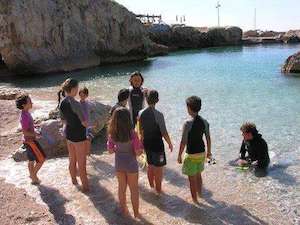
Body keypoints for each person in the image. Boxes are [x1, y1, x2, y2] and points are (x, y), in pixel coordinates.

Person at [107, 107, 143, 218]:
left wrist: (117, 149)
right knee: (134, 190)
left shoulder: (112, 134)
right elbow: (137, 153)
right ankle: (136, 214)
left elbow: (110, 151)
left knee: (121, 188)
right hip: (131, 165)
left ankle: (124, 211)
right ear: (128, 120)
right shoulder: (133, 134)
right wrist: (141, 148)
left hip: (119, 165)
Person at [177, 96, 212, 204]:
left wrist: (179, 155)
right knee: (198, 175)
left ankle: (195, 201)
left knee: (191, 180)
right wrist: (209, 152)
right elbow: (208, 138)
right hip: (202, 153)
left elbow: (183, 142)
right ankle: (200, 194)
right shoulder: (205, 122)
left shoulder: (187, 124)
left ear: (188, 108)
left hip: (191, 155)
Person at [138, 90, 173, 194]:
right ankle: (158, 190)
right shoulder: (159, 115)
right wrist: (170, 143)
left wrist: (141, 143)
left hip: (147, 144)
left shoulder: (140, 113)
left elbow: (140, 130)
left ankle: (152, 187)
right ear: (157, 100)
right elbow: (164, 132)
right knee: (159, 169)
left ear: (146, 99)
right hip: (158, 146)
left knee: (150, 166)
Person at [58, 78, 89, 192]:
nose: (77, 90)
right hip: (79, 137)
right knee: (82, 163)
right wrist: (90, 126)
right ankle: (85, 187)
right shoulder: (75, 103)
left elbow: (63, 120)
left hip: (69, 135)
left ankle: (74, 181)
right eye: (77, 88)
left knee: (72, 159)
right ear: (73, 88)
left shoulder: (62, 102)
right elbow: (84, 123)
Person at [16, 94, 46, 185]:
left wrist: (35, 126)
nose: (32, 102)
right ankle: (33, 176)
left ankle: (32, 176)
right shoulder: (24, 116)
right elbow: (25, 132)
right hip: (30, 141)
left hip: (28, 141)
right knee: (41, 159)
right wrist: (35, 133)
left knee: (31, 160)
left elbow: (28, 127)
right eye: (29, 101)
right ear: (23, 105)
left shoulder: (26, 113)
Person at [79, 87, 94, 156]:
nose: (82, 97)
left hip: (88, 123)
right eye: (81, 95)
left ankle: (88, 153)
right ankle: (85, 153)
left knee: (89, 139)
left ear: (86, 95)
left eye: (83, 95)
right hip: (82, 124)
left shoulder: (88, 103)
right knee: (85, 139)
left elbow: (90, 112)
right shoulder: (78, 104)